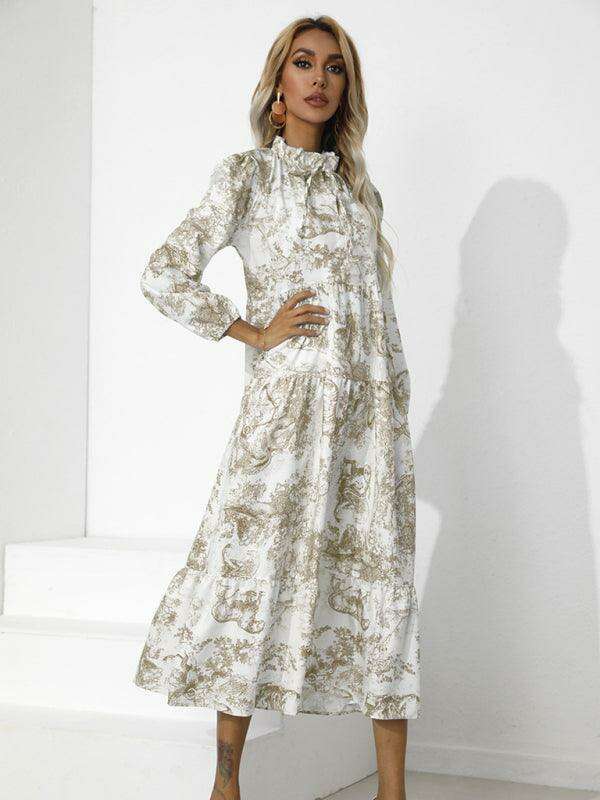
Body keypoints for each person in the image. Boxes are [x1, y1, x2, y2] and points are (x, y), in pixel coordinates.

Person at [133, 14, 420, 800]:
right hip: (284, 418)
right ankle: (226, 786)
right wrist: (253, 331)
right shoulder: (248, 177)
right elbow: (163, 272)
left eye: (334, 66)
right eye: (304, 62)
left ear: (345, 88)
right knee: (252, 579)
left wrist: (394, 423)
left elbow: (380, 321)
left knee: (381, 589)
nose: (319, 78)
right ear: (279, 85)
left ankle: (394, 792)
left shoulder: (360, 193)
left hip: (367, 429)